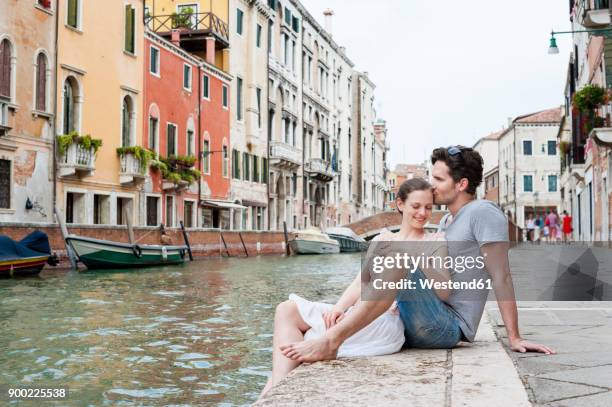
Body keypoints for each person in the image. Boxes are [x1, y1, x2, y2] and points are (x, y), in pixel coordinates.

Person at [277, 146, 554, 367]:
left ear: (461, 184)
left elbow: (501, 275)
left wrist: (514, 336)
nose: (432, 185)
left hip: (447, 325)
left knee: (400, 260)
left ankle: (331, 342)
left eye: (439, 179)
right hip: (420, 314)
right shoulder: (447, 221)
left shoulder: (483, 212)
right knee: (291, 311)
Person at [260, 178, 450, 397]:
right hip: (356, 312)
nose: (423, 213)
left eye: (428, 207)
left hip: (385, 319)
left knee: (303, 339)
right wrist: (339, 306)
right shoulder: (382, 238)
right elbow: (363, 280)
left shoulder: (436, 240)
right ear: (400, 204)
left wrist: (417, 257)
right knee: (287, 309)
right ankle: (276, 391)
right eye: (416, 206)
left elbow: (444, 291)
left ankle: (274, 393)